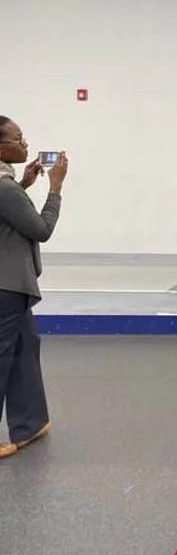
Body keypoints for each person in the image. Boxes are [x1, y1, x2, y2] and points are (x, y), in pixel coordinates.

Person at [0, 116, 67, 460]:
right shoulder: (4, 187)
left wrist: (25, 184)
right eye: (17, 138)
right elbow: (40, 229)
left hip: (12, 283)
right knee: (4, 355)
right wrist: (55, 188)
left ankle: (31, 422)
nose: (24, 145)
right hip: (7, 285)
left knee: (26, 347)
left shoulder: (9, 185)